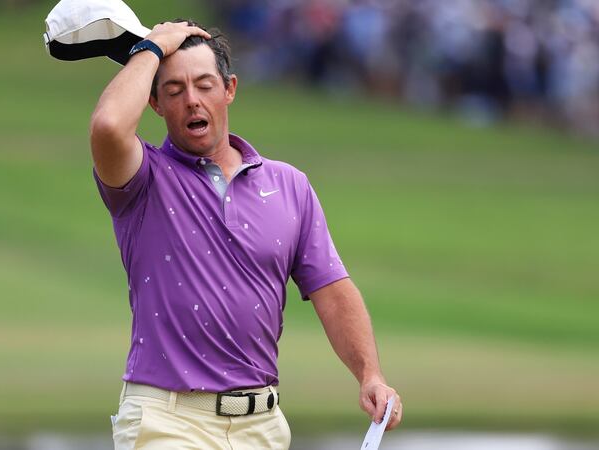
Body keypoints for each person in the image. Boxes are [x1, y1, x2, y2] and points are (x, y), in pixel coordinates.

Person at [89, 19, 403, 449]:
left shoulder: (290, 185)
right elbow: (108, 126)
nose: (192, 101)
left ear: (229, 89)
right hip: (168, 421)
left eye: (204, 85)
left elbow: (332, 289)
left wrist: (370, 373)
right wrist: (153, 46)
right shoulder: (142, 179)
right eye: (175, 91)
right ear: (155, 104)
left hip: (263, 426)